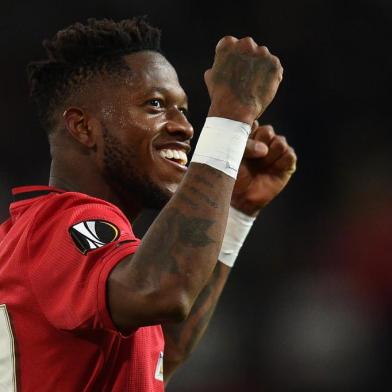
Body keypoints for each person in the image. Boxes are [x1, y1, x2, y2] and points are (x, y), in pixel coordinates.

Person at [0, 17, 296, 391]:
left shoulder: (43, 241)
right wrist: (231, 114)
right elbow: (162, 292)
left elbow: (160, 353)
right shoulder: (62, 223)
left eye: (184, 109)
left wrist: (234, 212)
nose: (185, 127)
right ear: (83, 127)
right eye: (155, 105)